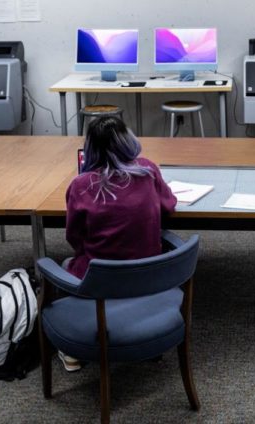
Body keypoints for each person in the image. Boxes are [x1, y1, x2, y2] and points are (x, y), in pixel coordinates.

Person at [59, 115, 177, 371]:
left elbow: (74, 238)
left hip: (100, 280)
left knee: (64, 265)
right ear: (128, 140)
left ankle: (73, 352)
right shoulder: (148, 170)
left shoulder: (80, 185)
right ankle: (142, 333)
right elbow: (169, 205)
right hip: (148, 278)